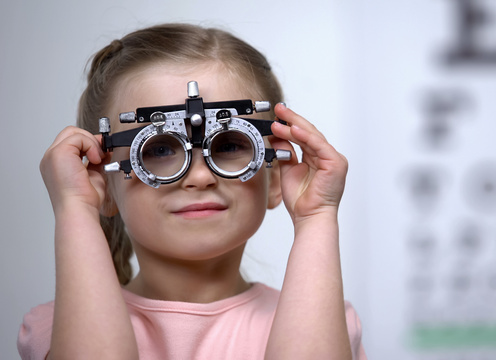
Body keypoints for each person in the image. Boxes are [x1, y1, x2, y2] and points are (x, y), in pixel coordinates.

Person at [18, 23, 365, 359]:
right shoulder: (59, 327)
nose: (199, 177)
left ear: (272, 176)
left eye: (229, 145)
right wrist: (75, 208)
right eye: (158, 149)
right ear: (103, 184)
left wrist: (316, 216)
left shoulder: (322, 323)